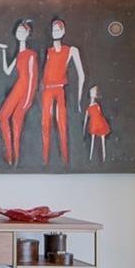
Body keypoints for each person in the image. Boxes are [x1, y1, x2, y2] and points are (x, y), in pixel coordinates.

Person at [39, 17, 85, 166]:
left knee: (62, 123)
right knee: (45, 124)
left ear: (63, 31)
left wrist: (78, 100)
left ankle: (65, 161)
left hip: (59, 90)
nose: (55, 31)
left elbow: (81, 75)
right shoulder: (48, 51)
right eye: (53, 29)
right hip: (47, 91)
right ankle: (45, 161)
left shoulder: (71, 50)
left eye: (58, 29)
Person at [0, 19, 37, 167]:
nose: (19, 33)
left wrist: (28, 100)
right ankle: (10, 154)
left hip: (25, 87)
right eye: (18, 31)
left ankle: (15, 157)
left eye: (22, 31)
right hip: (19, 85)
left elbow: (32, 77)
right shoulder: (19, 54)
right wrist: (4, 52)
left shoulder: (31, 54)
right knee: (3, 117)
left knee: (16, 120)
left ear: (28, 33)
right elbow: (7, 71)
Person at [83, 83, 111, 162]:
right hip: (94, 125)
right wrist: (84, 129)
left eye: (93, 92)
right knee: (93, 140)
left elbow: (99, 115)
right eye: (92, 92)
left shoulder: (96, 105)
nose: (92, 94)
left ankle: (103, 156)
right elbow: (86, 120)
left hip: (99, 124)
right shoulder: (89, 108)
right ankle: (91, 157)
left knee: (101, 140)